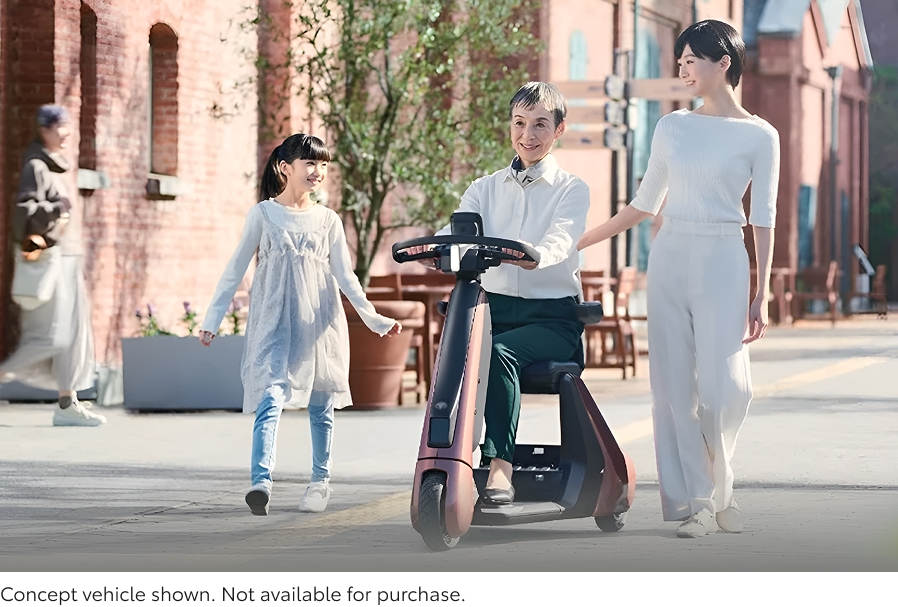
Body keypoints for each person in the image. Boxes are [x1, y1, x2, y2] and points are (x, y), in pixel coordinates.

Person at [577, 20, 779, 538]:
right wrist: (572, 245)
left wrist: (762, 291)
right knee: (671, 390)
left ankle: (721, 483)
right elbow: (643, 205)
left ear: (723, 64)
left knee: (726, 387)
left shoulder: (761, 135)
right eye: (681, 60)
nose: (683, 69)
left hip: (723, 259)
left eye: (692, 60)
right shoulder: (673, 127)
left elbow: (764, 217)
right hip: (670, 256)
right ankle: (698, 504)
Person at [198, 133, 402, 516]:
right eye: (310, 163)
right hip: (274, 319)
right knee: (270, 397)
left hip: (319, 320)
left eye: (323, 165)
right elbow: (234, 268)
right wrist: (213, 317)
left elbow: (346, 277)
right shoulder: (262, 215)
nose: (318, 172)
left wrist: (373, 319)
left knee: (322, 403)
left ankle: (319, 482)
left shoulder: (328, 221)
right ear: (285, 167)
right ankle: (261, 481)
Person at [411, 82, 590, 506]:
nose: (529, 134)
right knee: (465, 352)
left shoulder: (571, 189)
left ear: (559, 129)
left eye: (541, 125)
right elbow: (456, 230)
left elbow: (562, 239)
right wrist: (430, 250)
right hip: (491, 312)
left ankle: (500, 466)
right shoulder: (484, 187)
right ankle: (451, 458)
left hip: (551, 319)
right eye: (520, 123)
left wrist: (536, 256)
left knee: (497, 353)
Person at [1, 105, 103, 427]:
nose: (68, 132)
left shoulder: (57, 165)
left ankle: (66, 404)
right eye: (61, 127)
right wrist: (57, 207)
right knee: (51, 337)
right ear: (45, 129)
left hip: (68, 260)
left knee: (74, 335)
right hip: (50, 261)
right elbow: (23, 215)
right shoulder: (36, 165)